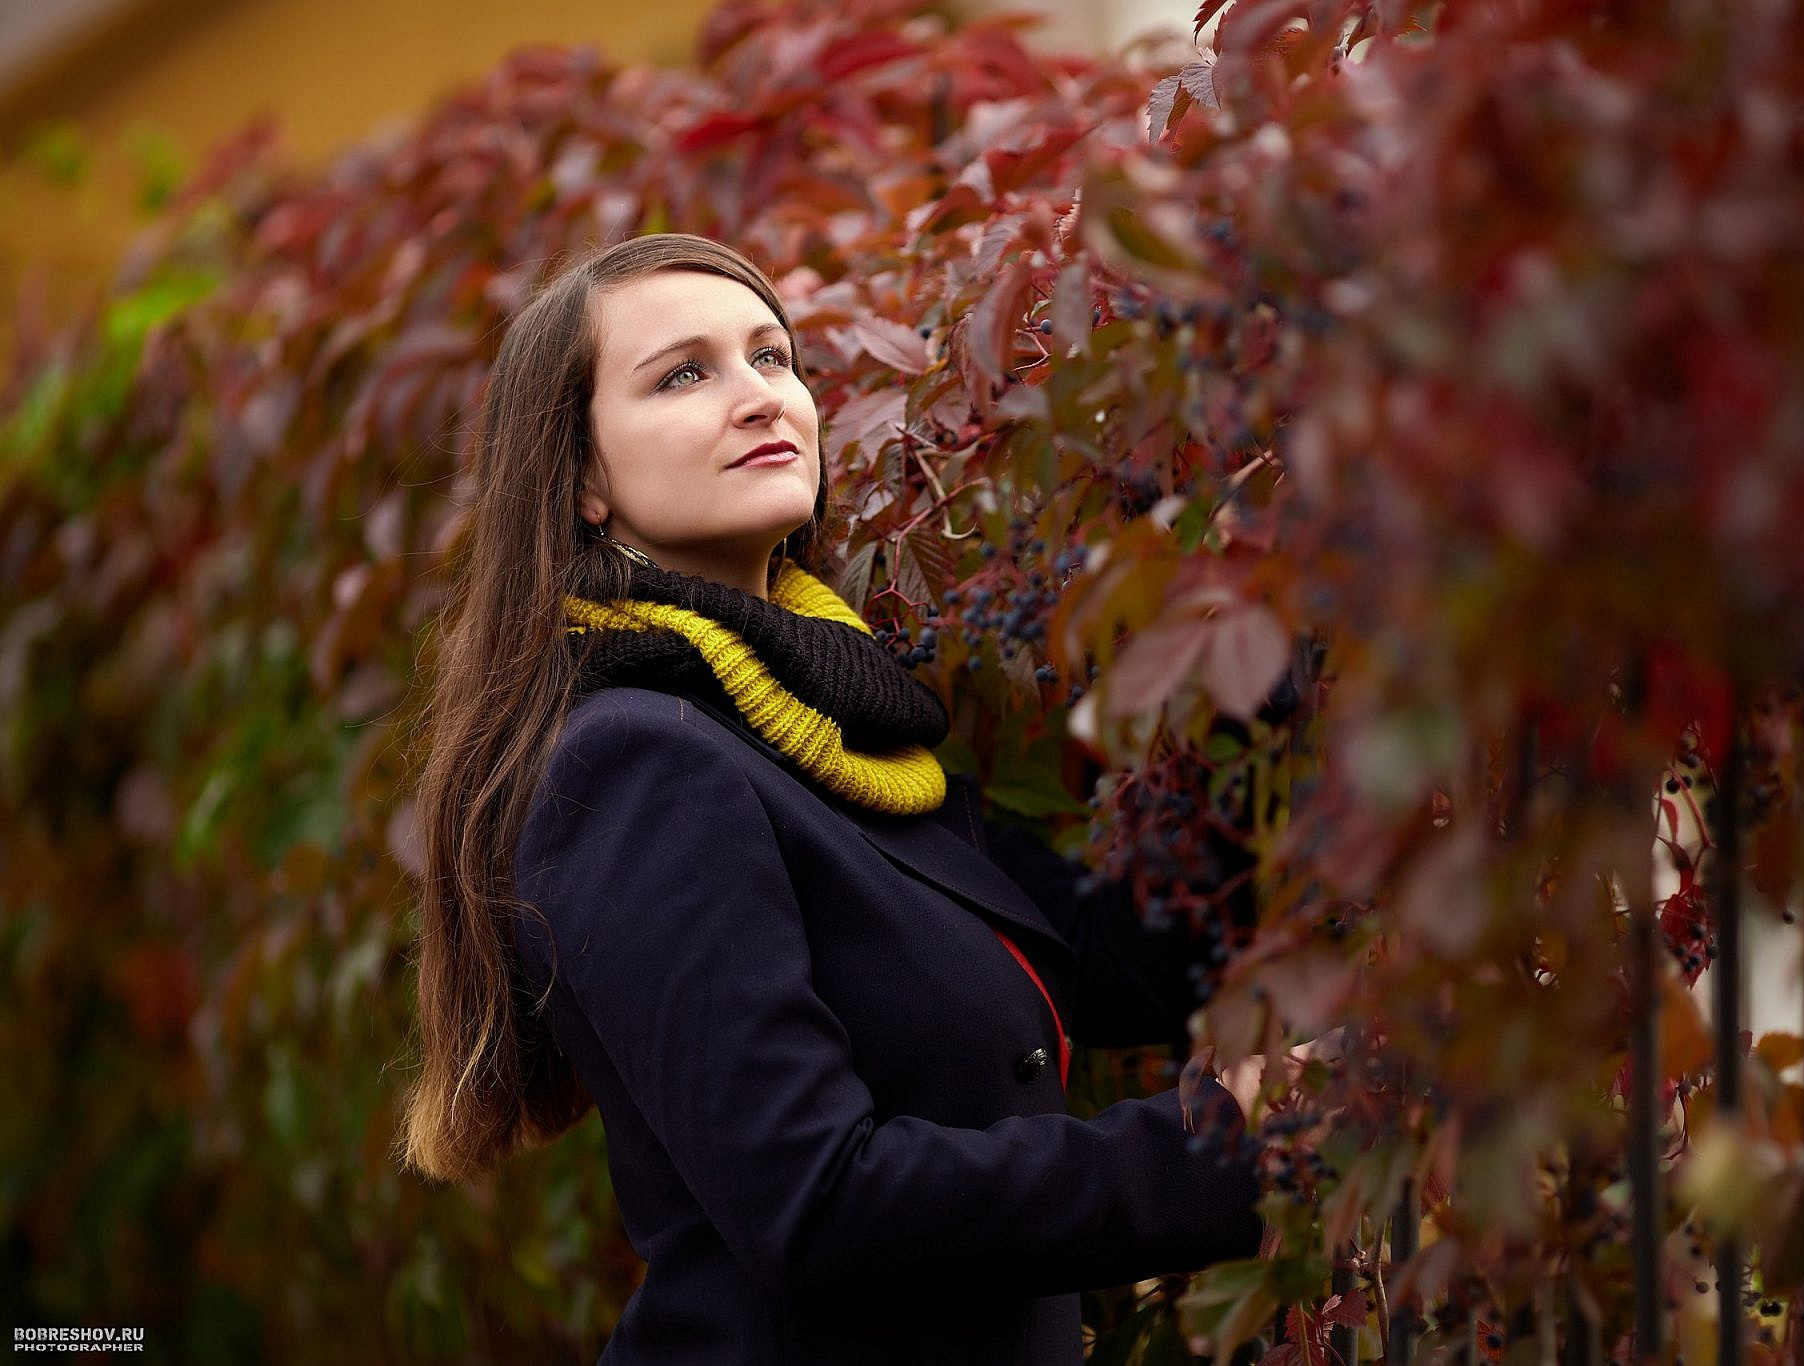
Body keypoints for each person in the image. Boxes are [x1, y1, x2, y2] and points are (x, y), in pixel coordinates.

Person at [397, 232, 1277, 1364]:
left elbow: (1122, 959)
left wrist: (1243, 665)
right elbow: (817, 1203)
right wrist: (1215, 1150)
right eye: (684, 373)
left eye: (773, 357)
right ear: (581, 482)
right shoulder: (634, 765)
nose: (760, 397)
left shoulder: (836, 719)